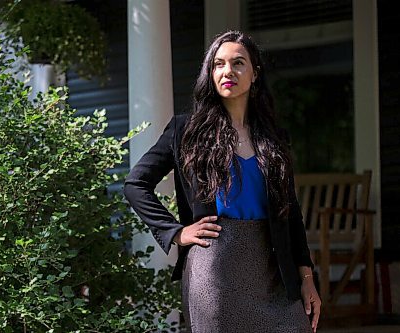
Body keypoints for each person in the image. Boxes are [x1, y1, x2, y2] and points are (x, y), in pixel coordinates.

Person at [123, 30, 321, 333]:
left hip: (273, 269)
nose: (228, 71)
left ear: (255, 74)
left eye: (238, 63)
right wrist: (176, 232)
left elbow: (290, 212)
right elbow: (136, 184)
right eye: (218, 64)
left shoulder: (275, 138)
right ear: (210, 73)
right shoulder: (184, 130)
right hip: (215, 269)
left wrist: (306, 277)